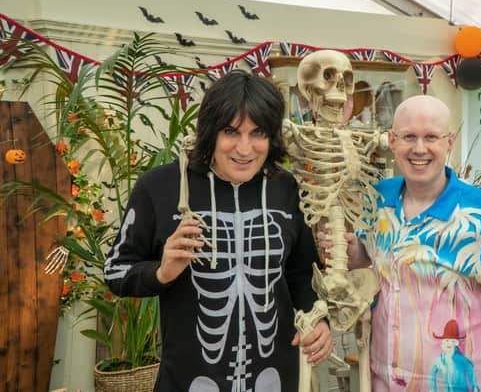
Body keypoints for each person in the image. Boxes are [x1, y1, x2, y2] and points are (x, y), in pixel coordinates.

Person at [104, 70, 332, 392]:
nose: (244, 148)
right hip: (189, 380)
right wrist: (162, 271)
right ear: (210, 131)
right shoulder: (161, 186)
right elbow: (116, 271)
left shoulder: (285, 188)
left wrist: (318, 318)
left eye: (258, 133)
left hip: (275, 376)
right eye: (230, 131)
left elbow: (300, 273)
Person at [318, 95, 481, 391]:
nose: (419, 148)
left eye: (431, 136)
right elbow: (371, 256)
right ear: (392, 141)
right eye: (409, 137)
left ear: (449, 142)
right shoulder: (379, 198)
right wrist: (348, 250)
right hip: (384, 382)